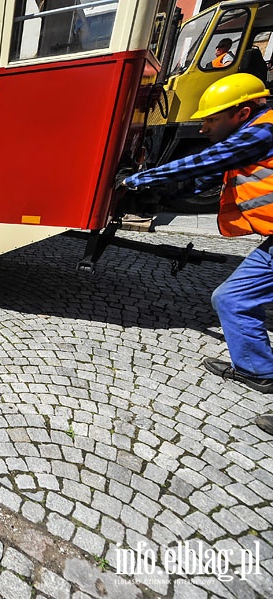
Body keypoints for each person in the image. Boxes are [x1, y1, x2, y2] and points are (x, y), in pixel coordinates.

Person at [124, 73, 273, 435]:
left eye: (211, 120)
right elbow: (210, 176)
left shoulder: (266, 130)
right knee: (231, 299)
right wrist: (168, 190)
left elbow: (207, 160)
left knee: (232, 299)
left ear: (243, 112)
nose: (204, 128)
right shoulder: (251, 134)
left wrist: (140, 180)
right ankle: (257, 370)